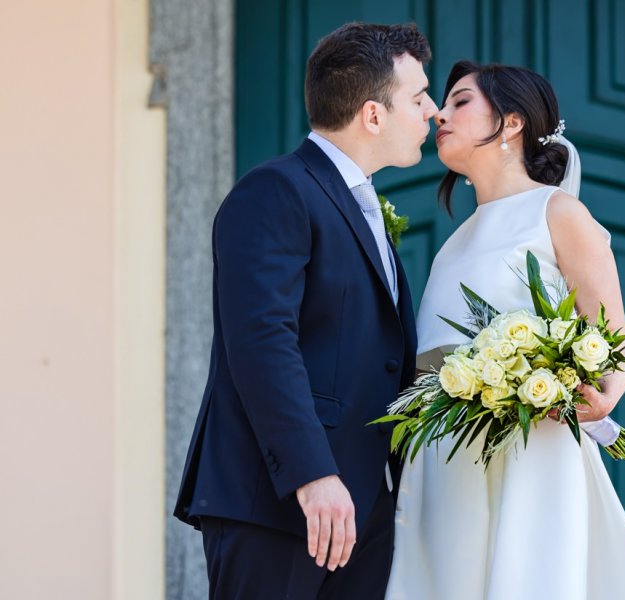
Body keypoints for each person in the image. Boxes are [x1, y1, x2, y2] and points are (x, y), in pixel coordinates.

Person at [173, 22, 438, 599]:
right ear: (373, 115)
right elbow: (261, 339)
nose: (433, 111)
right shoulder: (276, 191)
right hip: (282, 500)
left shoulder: (359, 201)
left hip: (361, 505)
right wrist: (313, 474)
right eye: (418, 98)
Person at [385, 61, 625, 599]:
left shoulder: (557, 213)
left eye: (461, 101)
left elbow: (615, 340)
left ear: (511, 122)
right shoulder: (453, 243)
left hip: (530, 449)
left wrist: (601, 401)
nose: (440, 113)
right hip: (444, 461)